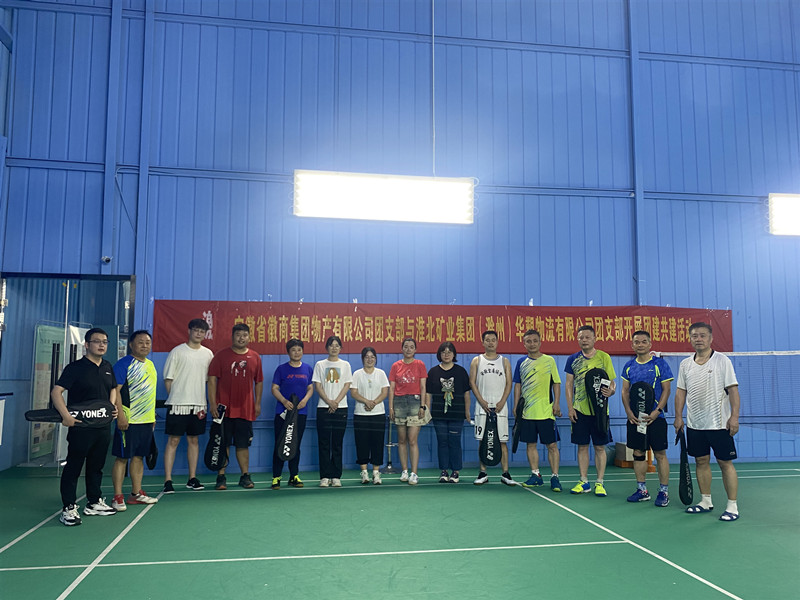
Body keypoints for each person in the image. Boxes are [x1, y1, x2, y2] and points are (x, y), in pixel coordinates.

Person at [674, 322, 741, 522]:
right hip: (695, 424)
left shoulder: (722, 360)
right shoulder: (685, 364)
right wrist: (678, 417)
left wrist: (734, 417)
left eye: (703, 335)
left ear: (711, 338)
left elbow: (733, 390)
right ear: (690, 339)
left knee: (725, 463)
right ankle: (705, 501)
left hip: (719, 424)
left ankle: (732, 506)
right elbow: (680, 392)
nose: (699, 339)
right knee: (701, 461)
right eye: (695, 336)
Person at [51, 328, 119, 526]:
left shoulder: (107, 366)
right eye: (97, 341)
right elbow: (56, 392)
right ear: (87, 345)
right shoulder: (75, 368)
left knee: (96, 466)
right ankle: (68, 508)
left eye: (104, 342)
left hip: (102, 427)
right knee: (74, 466)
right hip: (81, 427)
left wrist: (110, 408)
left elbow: (113, 388)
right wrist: (66, 416)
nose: (101, 345)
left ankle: (94, 502)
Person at [621, 330, 674, 507]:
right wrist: (629, 412)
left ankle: (664, 492)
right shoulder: (629, 366)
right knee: (638, 453)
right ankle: (642, 490)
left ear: (650, 344)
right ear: (632, 345)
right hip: (636, 419)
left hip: (656, 418)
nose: (640, 344)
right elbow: (625, 391)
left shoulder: (660, 364)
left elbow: (667, 389)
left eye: (644, 341)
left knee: (660, 454)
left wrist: (657, 411)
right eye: (637, 342)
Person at [208, 323, 263, 490]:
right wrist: (213, 403)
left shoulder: (255, 357)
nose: (241, 338)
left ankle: (245, 476)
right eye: (238, 335)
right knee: (222, 444)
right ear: (232, 337)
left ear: (249, 337)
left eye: (245, 335)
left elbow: (259, 382)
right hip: (223, 410)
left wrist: (257, 403)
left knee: (243, 444)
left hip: (245, 409)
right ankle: (221, 477)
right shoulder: (221, 356)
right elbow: (212, 380)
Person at [162, 318, 214, 493]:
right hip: (178, 405)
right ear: (189, 331)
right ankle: (168, 480)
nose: (198, 333)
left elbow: (209, 381)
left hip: (199, 405)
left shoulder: (208, 354)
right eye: (196, 330)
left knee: (194, 440)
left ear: (205, 334)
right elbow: (168, 379)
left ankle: (192, 478)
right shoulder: (177, 352)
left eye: (202, 331)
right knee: (173, 440)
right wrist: (177, 398)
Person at [565, 325, 616, 496]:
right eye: (581, 337)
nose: (584, 340)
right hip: (580, 410)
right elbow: (569, 384)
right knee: (582, 447)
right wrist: (570, 408)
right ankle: (584, 481)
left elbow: (612, 382)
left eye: (587, 337)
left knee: (600, 448)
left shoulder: (604, 357)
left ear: (594, 339)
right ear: (577, 339)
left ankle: (600, 483)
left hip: (600, 411)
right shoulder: (572, 359)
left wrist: (612, 391)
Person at [111, 330, 159, 511]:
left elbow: (149, 393)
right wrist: (121, 416)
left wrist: (152, 416)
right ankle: (117, 496)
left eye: (148, 342)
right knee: (122, 458)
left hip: (146, 420)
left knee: (139, 457)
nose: (145, 345)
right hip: (128, 420)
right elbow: (115, 391)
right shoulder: (123, 364)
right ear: (131, 345)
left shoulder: (150, 365)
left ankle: (136, 493)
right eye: (140, 342)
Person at [513, 329, 563, 491]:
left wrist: (556, 403)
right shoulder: (521, 362)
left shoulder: (549, 361)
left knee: (552, 445)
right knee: (531, 444)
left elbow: (556, 383)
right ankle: (536, 475)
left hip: (546, 411)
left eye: (535, 341)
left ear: (540, 342)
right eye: (528, 341)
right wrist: (515, 405)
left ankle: (555, 477)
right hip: (527, 412)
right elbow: (518, 385)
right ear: (524, 343)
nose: (532, 344)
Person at [470, 330, 514, 485]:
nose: (490, 342)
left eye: (493, 340)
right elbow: (472, 382)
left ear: (497, 342)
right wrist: (481, 401)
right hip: (482, 407)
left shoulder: (504, 361)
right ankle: (483, 472)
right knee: (482, 441)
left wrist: (502, 401)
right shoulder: (477, 360)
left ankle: (505, 473)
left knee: (502, 441)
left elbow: (509, 383)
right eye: (487, 340)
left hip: (500, 407)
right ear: (483, 342)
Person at [270, 338, 314, 490]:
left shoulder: (307, 369)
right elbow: (274, 388)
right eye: (293, 350)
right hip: (282, 413)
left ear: (303, 351)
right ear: (288, 352)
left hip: (300, 413)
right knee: (280, 443)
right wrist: (283, 401)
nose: (296, 352)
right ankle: (276, 477)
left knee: (295, 444)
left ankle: (294, 476)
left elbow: (310, 388)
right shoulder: (281, 369)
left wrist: (305, 401)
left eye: (299, 349)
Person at [427, 342, 470, 483]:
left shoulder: (461, 371)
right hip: (438, 414)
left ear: (454, 354)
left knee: (454, 442)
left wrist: (467, 411)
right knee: (442, 442)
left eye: (449, 352)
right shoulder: (433, 372)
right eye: (443, 352)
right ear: (439, 354)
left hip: (457, 414)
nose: (446, 355)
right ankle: (444, 471)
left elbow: (466, 393)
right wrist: (427, 411)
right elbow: (428, 394)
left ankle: (456, 471)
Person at [313, 335, 352, 487]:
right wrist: (329, 401)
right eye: (331, 345)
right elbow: (318, 386)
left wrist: (336, 402)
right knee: (324, 443)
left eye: (337, 345)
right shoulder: (320, 364)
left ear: (340, 348)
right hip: (323, 408)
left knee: (337, 442)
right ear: (327, 347)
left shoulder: (345, 365)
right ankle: (324, 476)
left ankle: (336, 476)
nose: (334, 348)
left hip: (340, 408)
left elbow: (347, 385)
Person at [388, 337, 428, 485]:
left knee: (412, 439)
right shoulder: (395, 366)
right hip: (399, 403)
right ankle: (404, 470)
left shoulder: (420, 364)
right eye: (406, 346)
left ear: (415, 349)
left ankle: (414, 473)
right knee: (401, 439)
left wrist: (422, 406)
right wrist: (391, 407)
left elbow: (423, 387)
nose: (408, 349)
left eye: (411, 347)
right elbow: (392, 388)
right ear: (402, 349)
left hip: (415, 402)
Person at [350, 347, 390, 485]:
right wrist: (366, 401)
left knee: (377, 443)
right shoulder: (357, 374)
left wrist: (374, 403)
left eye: (372, 357)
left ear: (376, 359)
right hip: (361, 414)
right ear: (362, 359)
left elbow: (384, 392)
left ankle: (376, 473)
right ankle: (364, 473)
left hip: (378, 413)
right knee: (362, 443)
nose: (370, 359)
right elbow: (354, 393)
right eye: (367, 357)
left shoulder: (381, 373)